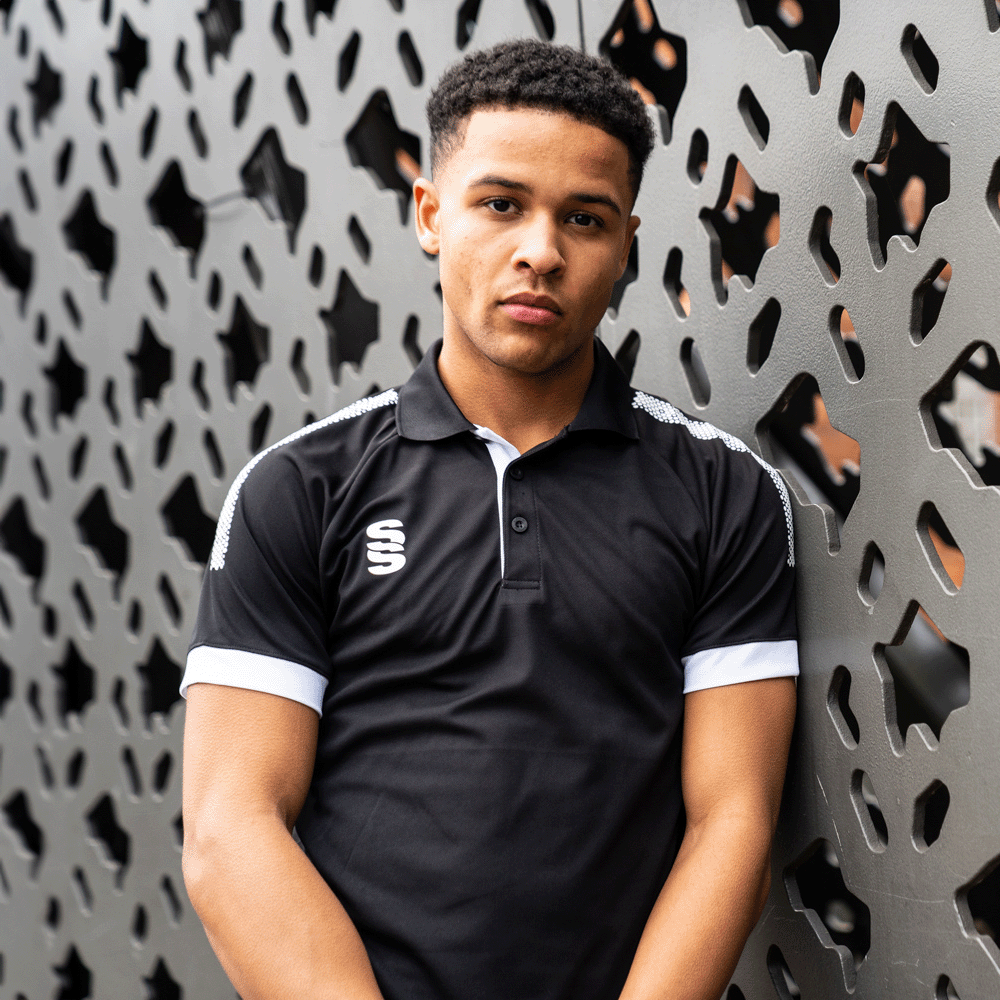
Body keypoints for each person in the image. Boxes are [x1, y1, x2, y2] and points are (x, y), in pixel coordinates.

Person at [180, 37, 798, 1000]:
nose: (541, 252)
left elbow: (735, 824)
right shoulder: (298, 490)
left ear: (626, 244)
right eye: (502, 204)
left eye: (584, 218)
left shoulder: (725, 493)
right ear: (431, 214)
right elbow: (230, 829)